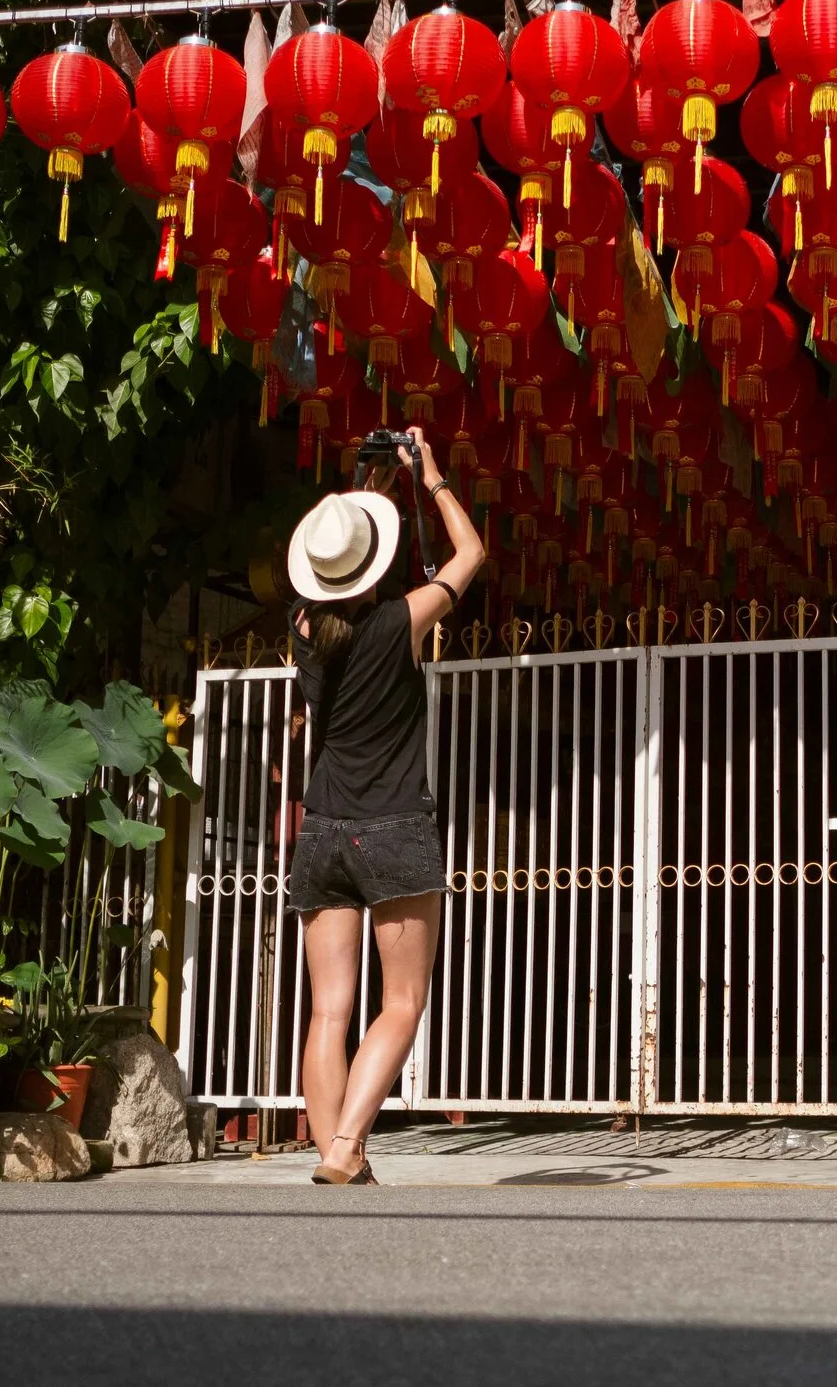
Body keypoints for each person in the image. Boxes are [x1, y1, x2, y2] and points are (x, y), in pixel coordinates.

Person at [283, 427, 483, 1185]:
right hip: (393, 827)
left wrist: (368, 489)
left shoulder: (302, 628)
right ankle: (346, 1145)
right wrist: (429, 478)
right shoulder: (400, 623)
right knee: (401, 1000)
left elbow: (337, 558)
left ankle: (339, 1158)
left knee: (329, 1010)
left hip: (322, 832)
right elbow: (470, 555)